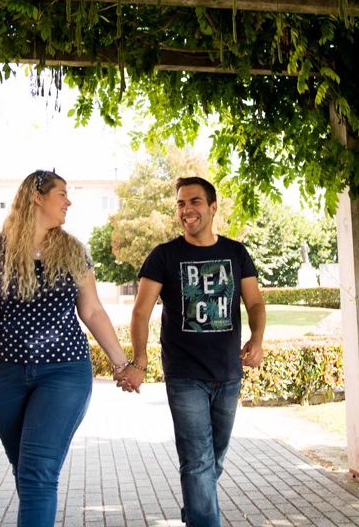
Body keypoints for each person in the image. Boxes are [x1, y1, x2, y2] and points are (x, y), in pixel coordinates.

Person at [0, 170, 136, 527]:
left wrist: (122, 364)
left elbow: (92, 311)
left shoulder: (73, 251)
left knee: (37, 472)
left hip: (64, 373)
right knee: (26, 469)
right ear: (37, 196)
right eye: (62, 194)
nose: (68, 202)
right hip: (4, 375)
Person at [117, 176, 266, 527]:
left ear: (213, 208)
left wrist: (257, 339)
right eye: (181, 204)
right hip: (184, 374)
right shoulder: (164, 255)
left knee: (213, 460)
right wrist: (140, 360)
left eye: (194, 202)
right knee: (197, 461)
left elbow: (255, 302)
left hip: (228, 372)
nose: (186, 210)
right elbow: (140, 312)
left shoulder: (236, 253)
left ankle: (195, 510)